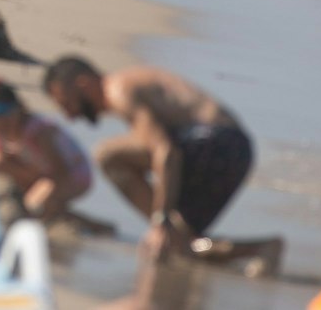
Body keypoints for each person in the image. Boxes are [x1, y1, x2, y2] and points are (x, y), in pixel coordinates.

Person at [43, 55, 283, 276]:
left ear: (83, 83)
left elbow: (166, 152)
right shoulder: (128, 85)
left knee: (108, 156)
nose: (70, 116)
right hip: (237, 150)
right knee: (183, 245)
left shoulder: (118, 90)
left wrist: (161, 220)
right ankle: (261, 249)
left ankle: (163, 230)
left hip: (215, 142)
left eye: (67, 104)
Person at [0, 78, 94, 224]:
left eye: (5, 118)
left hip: (73, 174)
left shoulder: (39, 131)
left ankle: (70, 216)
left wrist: (38, 191)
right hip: (40, 171)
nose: (0, 124)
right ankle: (60, 211)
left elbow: (60, 172)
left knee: (34, 207)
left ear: (19, 109)